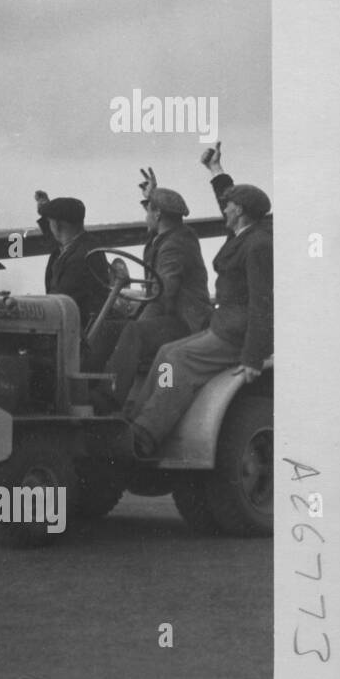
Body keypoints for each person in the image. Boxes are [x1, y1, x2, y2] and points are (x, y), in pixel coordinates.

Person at [127, 144, 273, 456]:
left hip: (237, 334)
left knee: (178, 360)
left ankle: (146, 434)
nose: (225, 207)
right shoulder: (243, 233)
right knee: (167, 351)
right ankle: (134, 420)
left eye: (229, 205)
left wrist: (252, 358)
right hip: (225, 325)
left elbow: (263, 303)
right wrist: (215, 170)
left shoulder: (258, 244)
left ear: (241, 212)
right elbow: (229, 195)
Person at [87, 168, 212, 413]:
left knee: (134, 332)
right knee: (109, 326)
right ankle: (86, 385)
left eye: (149, 209)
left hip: (184, 322)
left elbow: (163, 295)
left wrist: (137, 320)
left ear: (158, 214)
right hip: (169, 315)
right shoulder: (167, 236)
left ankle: (108, 400)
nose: (145, 215)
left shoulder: (175, 246)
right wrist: (153, 194)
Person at [33, 192, 110, 330]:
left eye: (50, 221)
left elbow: (58, 304)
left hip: (76, 331)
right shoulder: (81, 244)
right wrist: (47, 210)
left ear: (57, 225)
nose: (49, 226)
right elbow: (55, 237)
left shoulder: (79, 260)